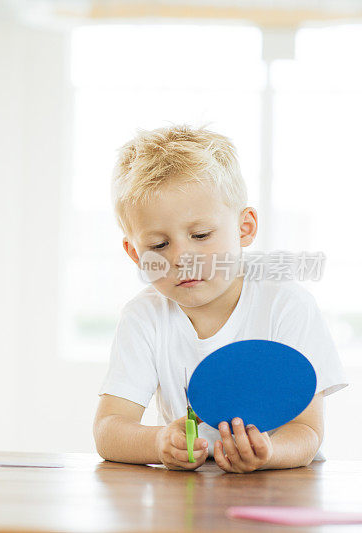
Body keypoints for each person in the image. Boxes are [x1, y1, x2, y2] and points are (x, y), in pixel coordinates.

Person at [93, 124, 347, 472]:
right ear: (135, 254)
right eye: (158, 245)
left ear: (245, 228)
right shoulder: (143, 317)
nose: (182, 258)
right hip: (187, 503)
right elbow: (109, 430)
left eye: (201, 235)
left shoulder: (286, 305)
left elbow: (307, 431)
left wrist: (267, 454)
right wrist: (157, 443)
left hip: (280, 492)